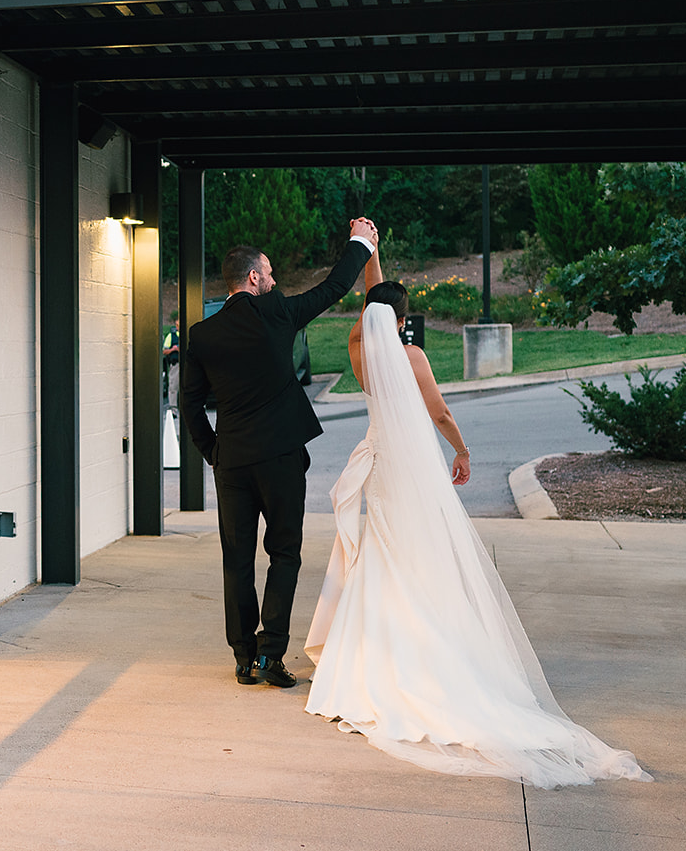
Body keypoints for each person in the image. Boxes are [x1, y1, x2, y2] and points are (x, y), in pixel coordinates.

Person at [303, 248, 652, 788]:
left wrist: (369, 256)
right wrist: (462, 451)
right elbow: (438, 411)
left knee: (384, 552)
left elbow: (371, 309)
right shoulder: (411, 357)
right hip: (410, 468)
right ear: (401, 322)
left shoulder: (357, 351)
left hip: (381, 471)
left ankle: (374, 661)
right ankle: (431, 655)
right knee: (422, 556)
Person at [182, 218, 377, 688]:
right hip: (281, 460)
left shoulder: (202, 335)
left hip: (232, 463)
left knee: (237, 559)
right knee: (284, 553)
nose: (273, 281)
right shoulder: (276, 313)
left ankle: (243, 659)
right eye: (268, 273)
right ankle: (272, 656)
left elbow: (187, 403)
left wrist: (213, 451)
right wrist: (360, 243)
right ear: (253, 278)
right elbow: (333, 287)